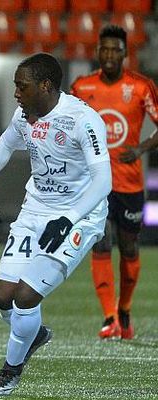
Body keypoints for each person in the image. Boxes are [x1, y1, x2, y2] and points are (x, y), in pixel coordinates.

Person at [0, 53, 111, 396]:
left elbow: (103, 180)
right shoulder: (25, 116)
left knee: (25, 296)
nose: (16, 93)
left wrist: (68, 218)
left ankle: (11, 369)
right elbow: (5, 144)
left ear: (45, 85)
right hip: (35, 212)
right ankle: (33, 334)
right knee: (4, 297)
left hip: (79, 216)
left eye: (22, 86)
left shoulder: (83, 120)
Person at [71, 24, 158, 340]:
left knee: (130, 247)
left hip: (129, 184)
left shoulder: (140, 87)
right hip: (94, 184)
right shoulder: (81, 87)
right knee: (100, 242)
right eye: (103, 49)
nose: (108, 55)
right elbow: (68, 126)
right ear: (97, 52)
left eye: (115, 50)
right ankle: (109, 317)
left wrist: (140, 149)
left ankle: (125, 309)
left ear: (124, 53)